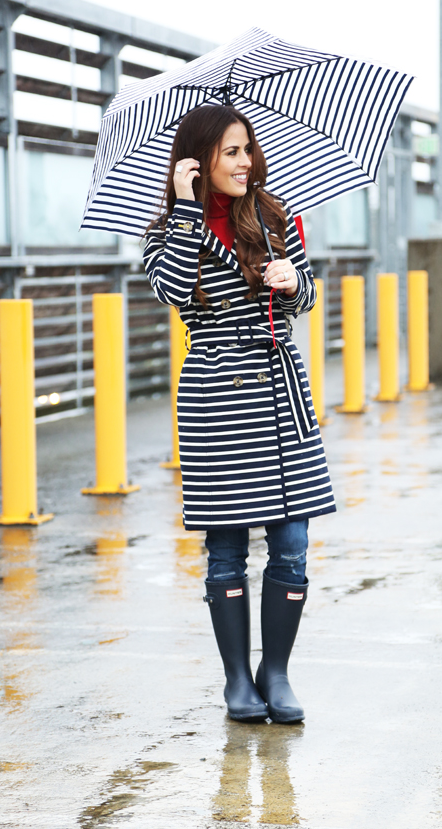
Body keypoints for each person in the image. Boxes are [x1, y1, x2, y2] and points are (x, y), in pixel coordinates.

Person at [143, 104, 335, 723]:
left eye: (246, 150)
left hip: (280, 392)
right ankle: (237, 682)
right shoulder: (169, 229)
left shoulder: (276, 216)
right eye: (230, 152)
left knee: (293, 543)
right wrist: (184, 211)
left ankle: (275, 672)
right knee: (226, 547)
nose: (244, 162)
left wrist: (291, 281)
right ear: (199, 159)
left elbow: (304, 297)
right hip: (219, 393)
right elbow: (174, 294)